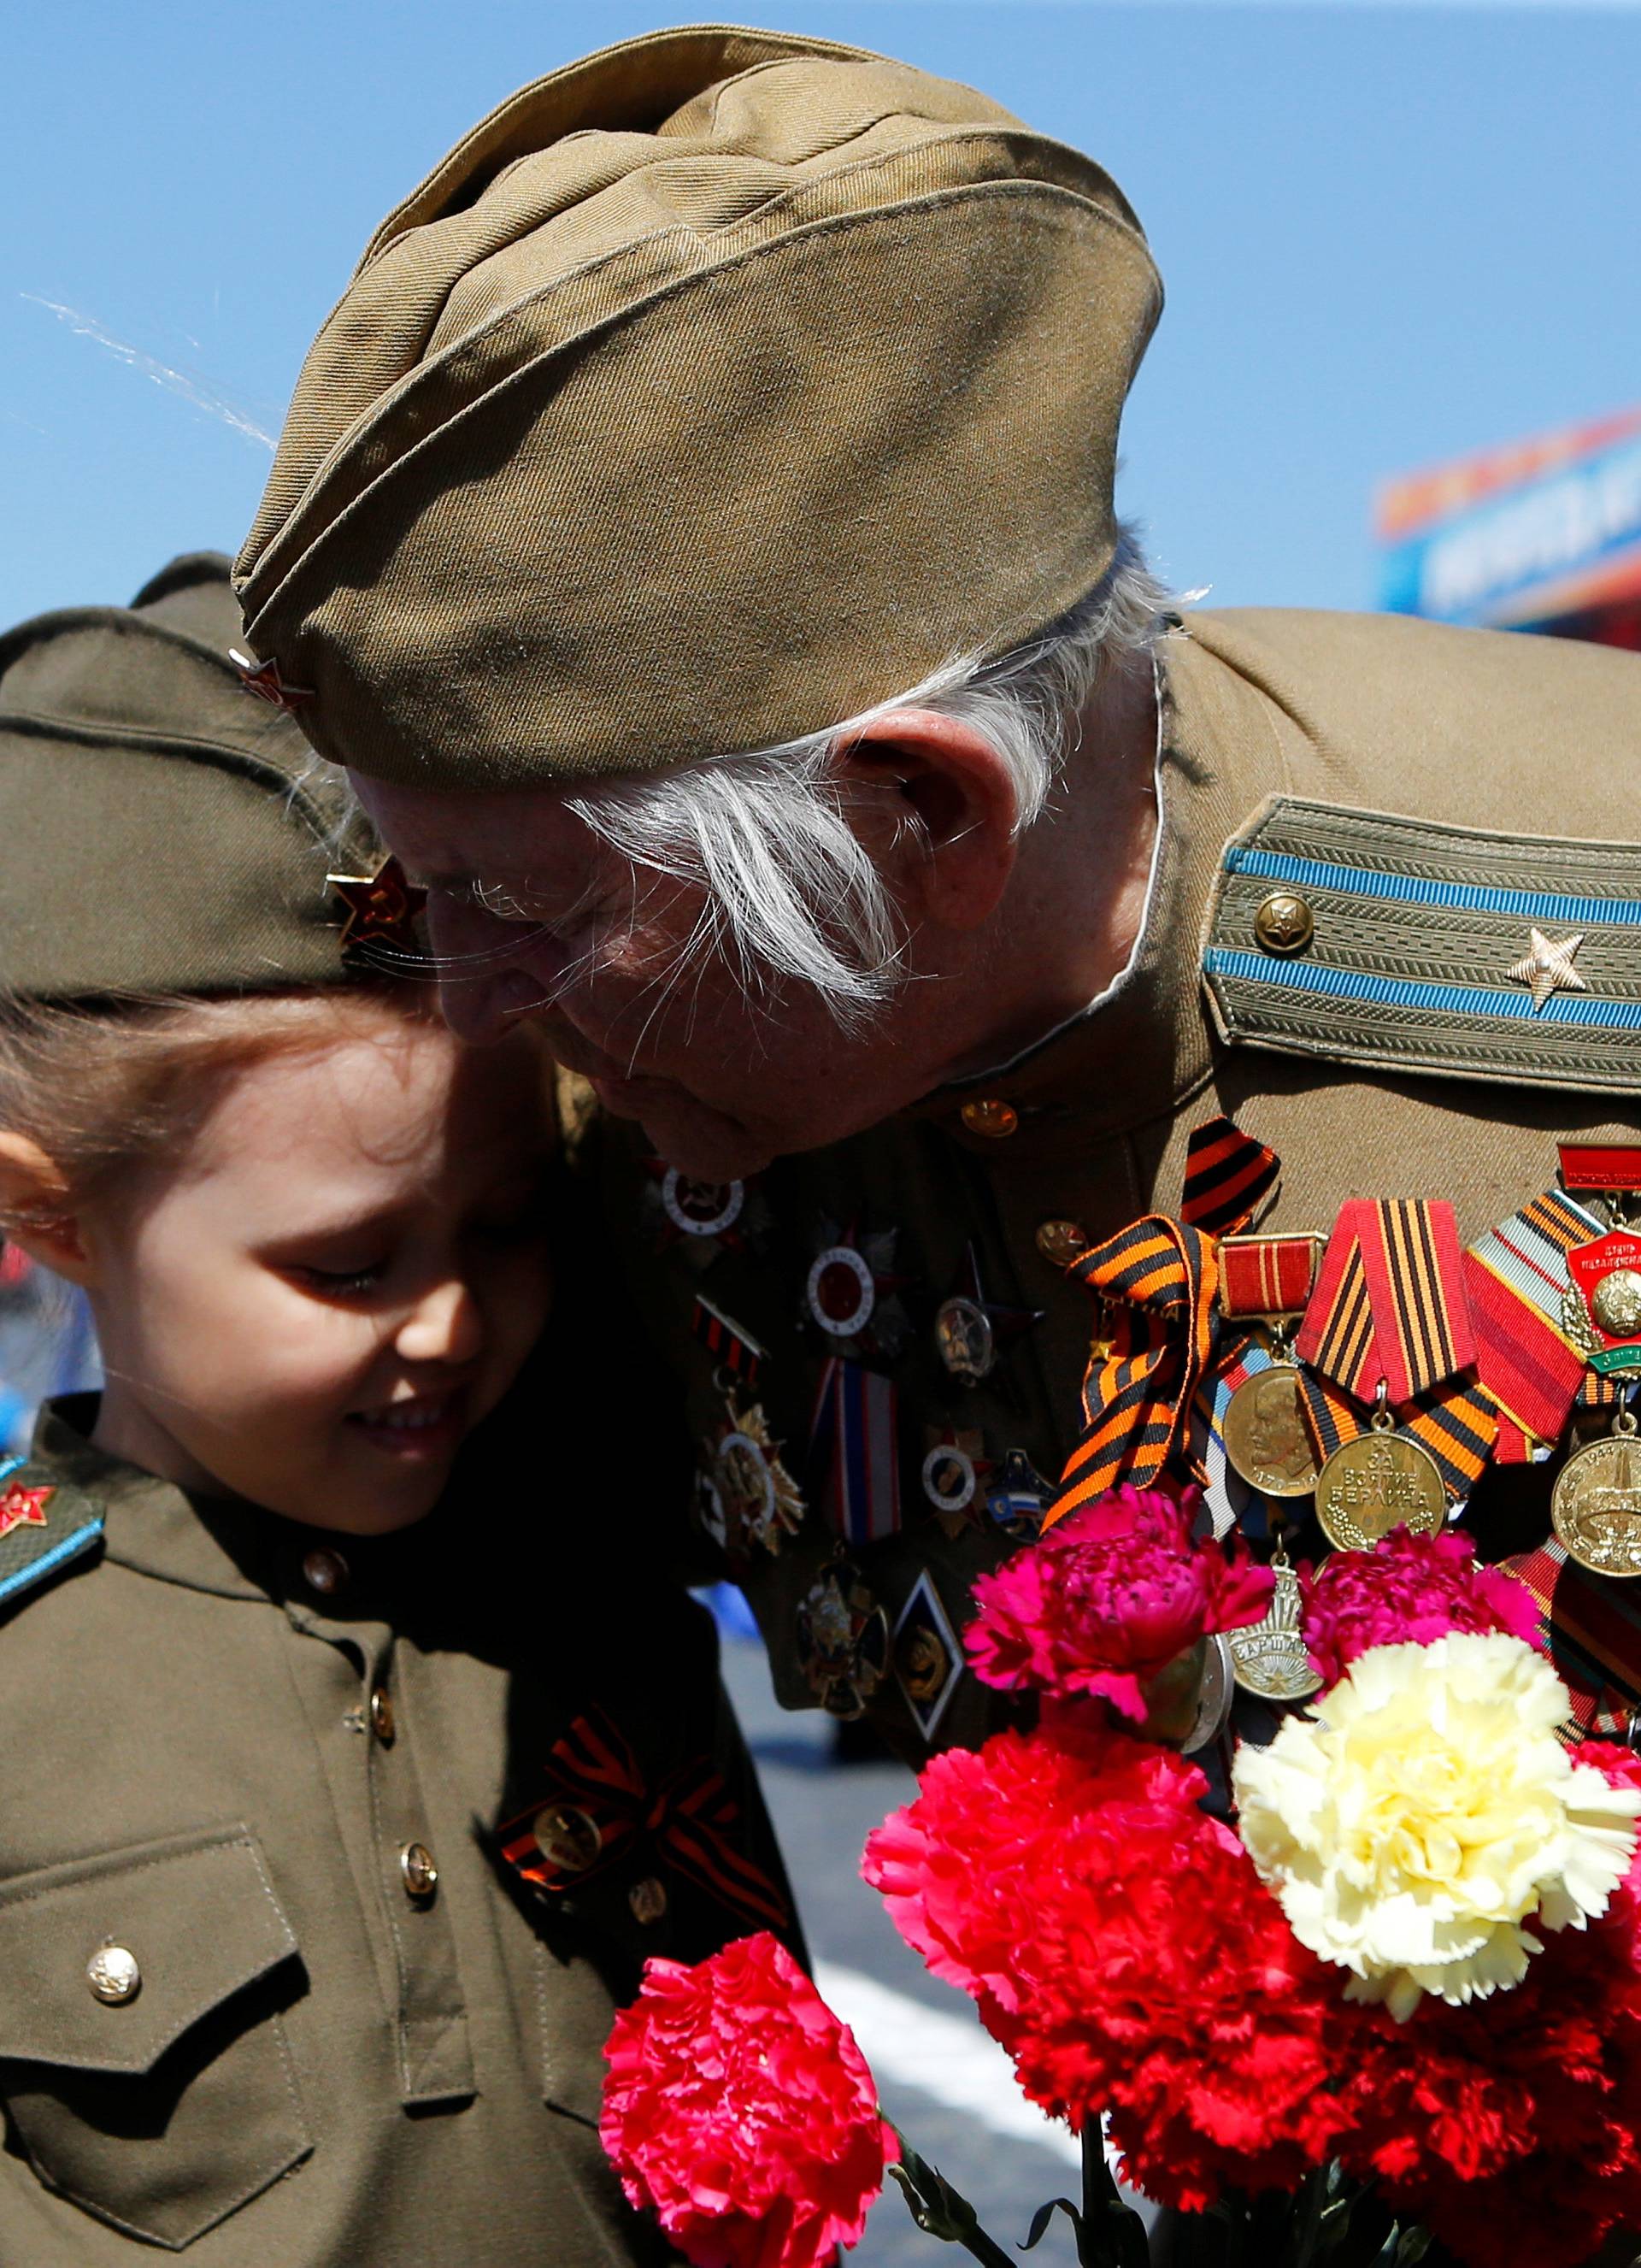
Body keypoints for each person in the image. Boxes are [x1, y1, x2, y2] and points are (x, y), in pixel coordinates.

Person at [230, 27, 1641, 1761]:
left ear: (925, 812)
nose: (468, 1000)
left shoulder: (1592, 920)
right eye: (418, 885)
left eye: (528, 904)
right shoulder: (611, 1144)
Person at [0, 554, 789, 2262]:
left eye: (505, 1225)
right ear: (56, 1218)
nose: (448, 1317)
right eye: (347, 1264)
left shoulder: (602, 1633)